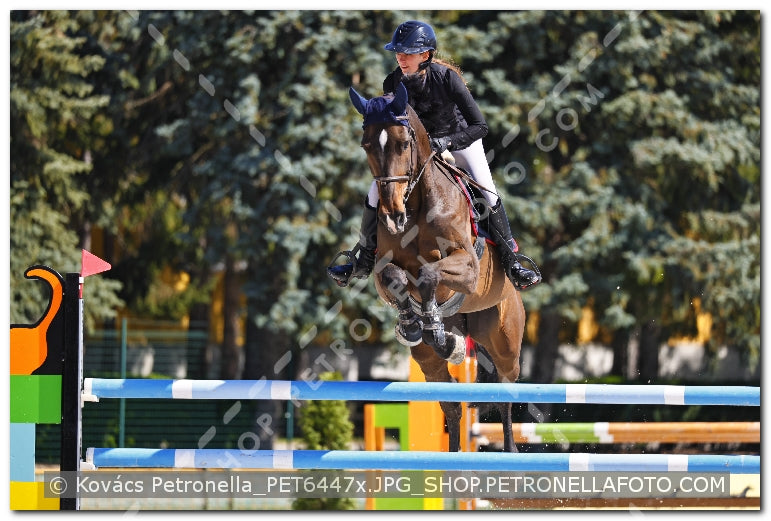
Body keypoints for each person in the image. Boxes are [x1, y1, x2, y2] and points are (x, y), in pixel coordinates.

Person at [328, 20, 541, 291]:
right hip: (418, 151)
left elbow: (480, 126)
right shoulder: (392, 81)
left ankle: (512, 261)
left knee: (488, 192)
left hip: (460, 141)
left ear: (425, 55)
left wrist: (447, 142)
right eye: (398, 52)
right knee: (376, 191)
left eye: (407, 52)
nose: (400, 58)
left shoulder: (446, 79)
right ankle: (364, 258)